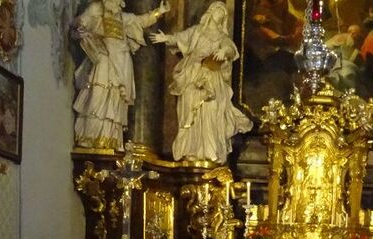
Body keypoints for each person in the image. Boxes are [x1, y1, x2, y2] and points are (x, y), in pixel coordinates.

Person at [150, 1, 252, 163]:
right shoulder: (197, 31)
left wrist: (223, 51)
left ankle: (210, 151)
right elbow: (179, 38)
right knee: (189, 108)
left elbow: (231, 49)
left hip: (212, 76)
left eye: (223, 13)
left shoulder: (222, 37)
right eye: (218, 11)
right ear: (211, 12)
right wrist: (166, 38)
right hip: (193, 73)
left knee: (212, 109)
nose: (220, 14)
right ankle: (191, 150)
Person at [72, 0, 170, 150]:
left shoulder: (123, 18)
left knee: (116, 99)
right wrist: (81, 26)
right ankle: (91, 137)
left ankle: (109, 138)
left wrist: (159, 12)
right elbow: (81, 22)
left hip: (122, 60)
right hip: (104, 58)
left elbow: (140, 21)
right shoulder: (96, 9)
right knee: (97, 95)